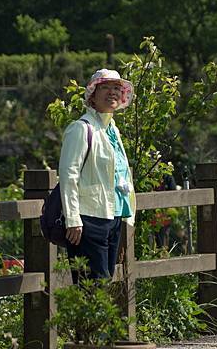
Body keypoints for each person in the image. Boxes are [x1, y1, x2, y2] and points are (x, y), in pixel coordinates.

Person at [59, 69, 136, 281]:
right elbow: (68, 175)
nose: (112, 92)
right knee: (93, 286)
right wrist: (73, 218)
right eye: (105, 87)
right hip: (88, 218)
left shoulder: (112, 129)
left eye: (116, 88)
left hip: (113, 216)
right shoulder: (81, 128)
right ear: (92, 94)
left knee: (105, 281)